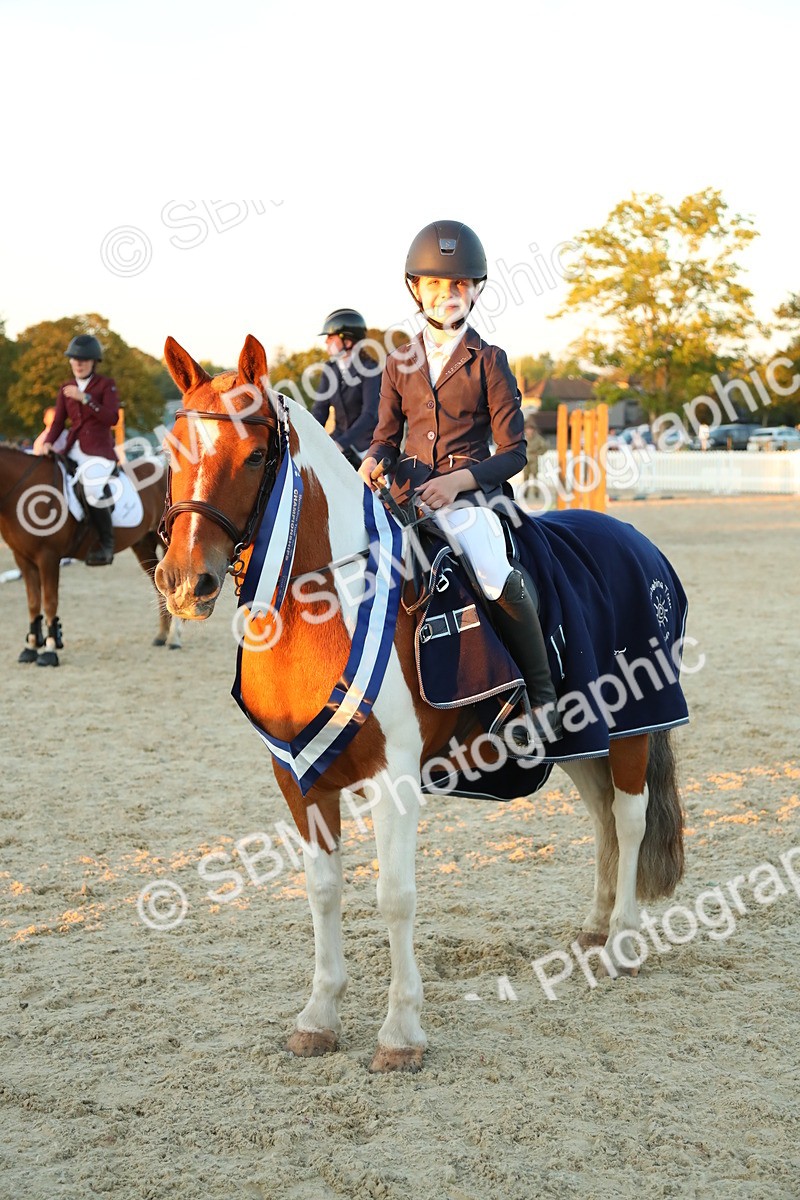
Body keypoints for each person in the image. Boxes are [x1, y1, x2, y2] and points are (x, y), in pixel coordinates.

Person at [359, 220, 562, 743]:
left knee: (492, 570)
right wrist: (372, 460)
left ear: (474, 291)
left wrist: (459, 483)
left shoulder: (489, 360)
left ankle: (541, 696)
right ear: (415, 289)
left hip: (471, 498)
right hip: (406, 496)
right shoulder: (399, 361)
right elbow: (385, 436)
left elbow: (514, 452)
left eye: (457, 285)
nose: (446, 294)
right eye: (434, 285)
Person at [41, 334, 120, 566]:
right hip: (72, 449)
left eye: (84, 359)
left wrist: (86, 398)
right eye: (74, 359)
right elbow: (57, 422)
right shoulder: (65, 387)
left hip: (99, 452)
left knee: (91, 491)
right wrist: (48, 441)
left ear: (93, 362)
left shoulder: (106, 384)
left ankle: (106, 545)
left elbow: (112, 418)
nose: (78, 363)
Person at [310, 308, 380, 469]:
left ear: (348, 341)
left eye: (330, 337)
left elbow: (370, 414)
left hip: (365, 445)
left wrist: (342, 443)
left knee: (380, 488)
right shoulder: (330, 368)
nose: (326, 342)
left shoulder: (370, 369)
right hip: (337, 440)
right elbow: (320, 410)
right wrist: (310, 435)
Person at [522, 412, 547, 490]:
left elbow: (544, 447)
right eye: (528, 429)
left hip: (533, 457)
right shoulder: (523, 437)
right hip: (525, 458)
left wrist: (538, 453)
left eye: (531, 429)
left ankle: (536, 491)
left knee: (535, 475)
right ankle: (525, 492)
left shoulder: (538, 438)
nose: (529, 431)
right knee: (525, 476)